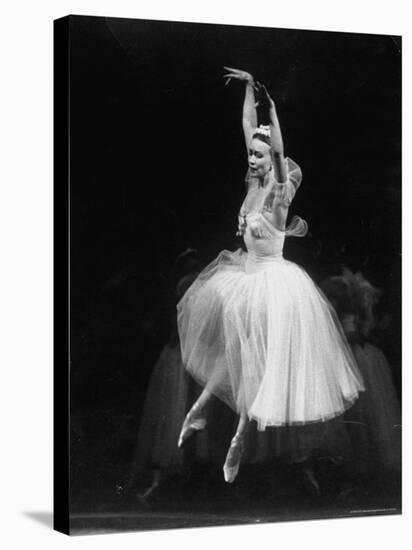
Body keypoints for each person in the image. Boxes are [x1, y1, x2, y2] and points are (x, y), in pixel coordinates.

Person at [177, 67, 364, 484]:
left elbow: (277, 152)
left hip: (275, 283)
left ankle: (239, 438)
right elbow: (247, 127)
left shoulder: (279, 191)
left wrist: (274, 111)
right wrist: (249, 90)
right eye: (252, 155)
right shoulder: (251, 181)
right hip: (244, 273)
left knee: (256, 362)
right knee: (235, 352)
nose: (253, 157)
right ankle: (201, 410)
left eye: (258, 155)